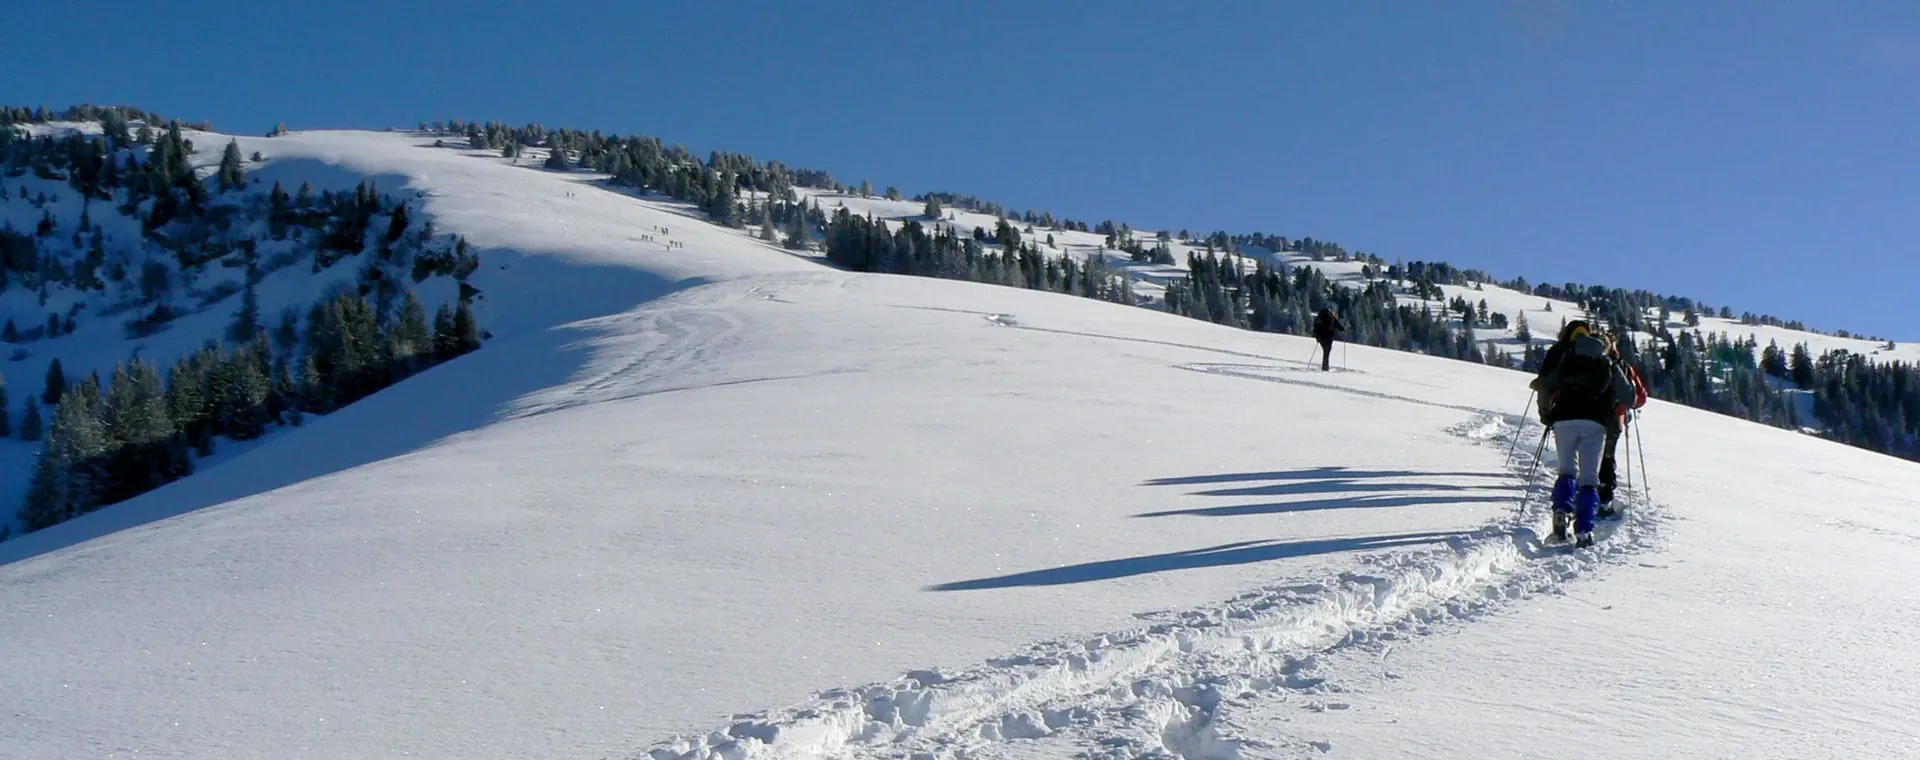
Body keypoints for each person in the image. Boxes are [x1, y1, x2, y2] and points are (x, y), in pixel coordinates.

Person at [1529, 321, 1637, 547]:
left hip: (1563, 421)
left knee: (1566, 470)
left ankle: (1561, 511)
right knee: (1589, 479)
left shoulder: (1567, 357)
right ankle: (1584, 531)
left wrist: (1547, 414)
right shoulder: (1607, 362)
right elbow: (1630, 398)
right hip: (1595, 424)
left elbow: (1546, 384)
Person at [1596, 330, 1649, 518]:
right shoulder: (1622, 366)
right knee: (1607, 459)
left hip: (1586, 417)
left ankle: (1582, 493)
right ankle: (1604, 499)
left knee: (1585, 457)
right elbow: (1640, 397)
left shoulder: (1583, 362)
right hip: (1613, 420)